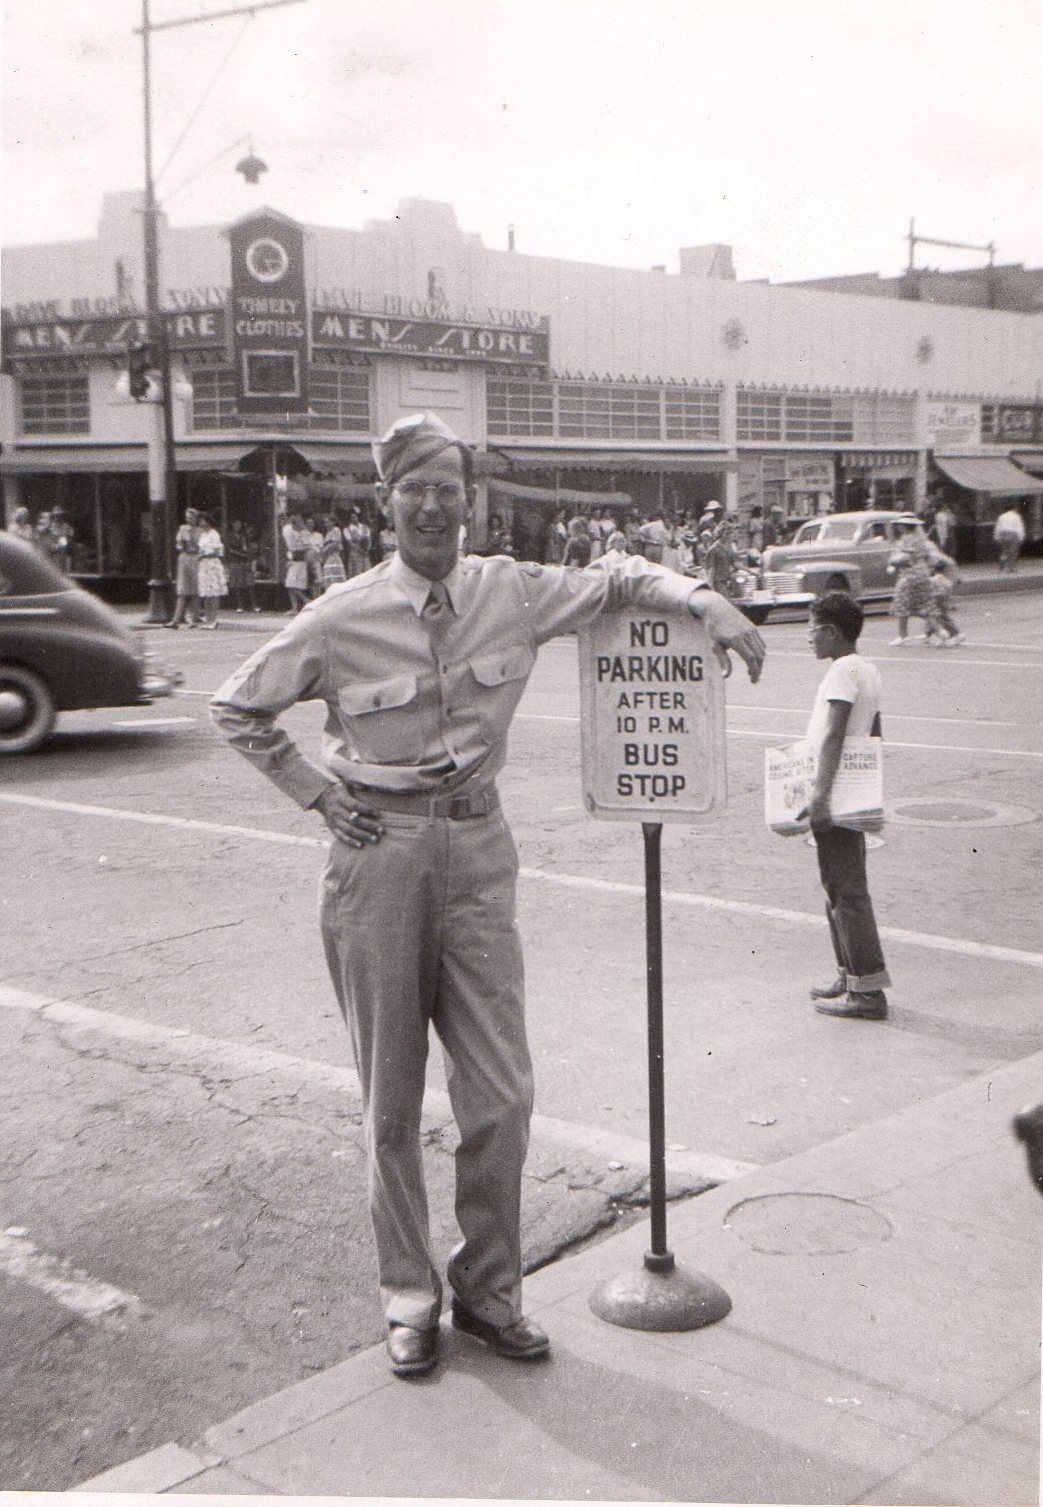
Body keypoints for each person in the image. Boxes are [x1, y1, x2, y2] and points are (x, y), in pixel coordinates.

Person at [210, 411, 765, 1381]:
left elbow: (621, 578)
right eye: (413, 488)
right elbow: (237, 704)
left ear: (470, 502)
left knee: (501, 1093)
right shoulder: (339, 615)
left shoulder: (508, 590)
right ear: (387, 503)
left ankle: (490, 1293)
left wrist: (703, 597)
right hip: (376, 856)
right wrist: (316, 793)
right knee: (390, 1099)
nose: (432, 504)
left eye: (448, 488)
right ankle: (408, 1298)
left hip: (477, 847)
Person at [802, 592, 891, 1020]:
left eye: (813, 628)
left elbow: (833, 736)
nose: (808, 637)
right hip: (853, 789)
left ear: (833, 632)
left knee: (846, 891)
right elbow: (875, 731)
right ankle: (850, 975)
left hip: (835, 791)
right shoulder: (867, 669)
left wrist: (819, 794)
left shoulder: (840, 672)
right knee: (840, 886)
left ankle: (868, 991)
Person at [888, 543, 942, 645]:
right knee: (925, 609)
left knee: (902, 609)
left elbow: (895, 562)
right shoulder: (922, 558)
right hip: (921, 581)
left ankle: (903, 635)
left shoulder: (907, 549)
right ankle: (938, 632)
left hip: (909, 583)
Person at [165, 507, 202, 628]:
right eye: (187, 517)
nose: (189, 519)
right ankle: (175, 620)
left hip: (195, 558)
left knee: (195, 590)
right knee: (182, 590)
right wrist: (181, 546)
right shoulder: (182, 528)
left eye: (191, 517)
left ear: (196, 518)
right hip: (184, 558)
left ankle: (194, 619)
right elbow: (178, 543)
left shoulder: (200, 530)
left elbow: (202, 546)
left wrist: (197, 549)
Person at [196, 514, 227, 628]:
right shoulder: (203, 534)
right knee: (206, 593)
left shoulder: (214, 534)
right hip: (204, 565)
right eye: (200, 521)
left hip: (212, 564)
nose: (202, 523)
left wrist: (205, 554)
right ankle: (208, 619)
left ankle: (214, 619)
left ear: (209, 522)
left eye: (204, 521)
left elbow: (218, 551)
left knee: (213, 592)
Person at [928, 554, 964, 646]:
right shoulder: (947, 581)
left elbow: (931, 592)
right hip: (944, 601)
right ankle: (943, 635)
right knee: (944, 618)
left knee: (935, 619)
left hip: (935, 602)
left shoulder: (933, 580)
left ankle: (952, 634)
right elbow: (948, 592)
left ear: (934, 569)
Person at [226, 520, 261, 613]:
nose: (238, 526)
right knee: (238, 584)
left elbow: (249, 548)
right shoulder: (229, 536)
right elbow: (230, 550)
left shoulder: (244, 536)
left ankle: (254, 605)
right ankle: (240, 605)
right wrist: (243, 554)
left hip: (245, 561)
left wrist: (248, 555)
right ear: (232, 525)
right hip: (236, 561)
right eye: (236, 524)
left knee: (250, 584)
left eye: (239, 524)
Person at [282, 510, 312, 614]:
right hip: (293, 559)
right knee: (290, 584)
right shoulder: (288, 530)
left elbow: (308, 546)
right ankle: (294, 608)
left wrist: (298, 550)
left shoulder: (305, 533)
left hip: (299, 560)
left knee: (291, 584)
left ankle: (306, 600)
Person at [993, 506, 1025, 573]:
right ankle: (1011, 568)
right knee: (1012, 552)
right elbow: (1019, 527)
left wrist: (996, 537)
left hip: (1003, 534)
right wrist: (1021, 537)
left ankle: (1001, 566)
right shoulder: (1016, 516)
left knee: (1004, 551)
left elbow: (998, 527)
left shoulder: (1001, 516)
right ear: (1014, 509)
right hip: (1013, 535)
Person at [320, 515, 347, 588]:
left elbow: (335, 544)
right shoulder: (328, 533)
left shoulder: (336, 530)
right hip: (328, 556)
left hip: (334, 555)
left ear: (333, 522)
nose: (326, 524)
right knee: (329, 573)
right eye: (325, 522)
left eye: (328, 522)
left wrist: (325, 550)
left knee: (335, 574)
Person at [346, 509, 372, 578]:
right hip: (355, 554)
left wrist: (366, 549)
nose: (353, 519)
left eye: (355, 517)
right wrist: (360, 550)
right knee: (357, 575)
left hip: (365, 553)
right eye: (352, 517)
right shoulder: (347, 529)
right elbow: (350, 544)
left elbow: (369, 540)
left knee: (367, 573)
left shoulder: (365, 528)